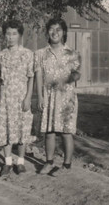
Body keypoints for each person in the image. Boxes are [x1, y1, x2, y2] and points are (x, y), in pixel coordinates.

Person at [35, 18, 81, 175]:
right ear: (47, 32)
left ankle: (66, 165)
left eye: (58, 30)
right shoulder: (40, 54)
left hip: (66, 98)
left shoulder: (73, 54)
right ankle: (48, 162)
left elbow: (76, 75)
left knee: (66, 132)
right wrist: (40, 97)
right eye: (51, 29)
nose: (55, 33)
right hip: (48, 97)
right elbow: (39, 76)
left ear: (64, 33)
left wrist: (71, 78)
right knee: (49, 132)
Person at [0, 19, 34, 177]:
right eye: (8, 34)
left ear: (20, 35)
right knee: (6, 129)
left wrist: (29, 97)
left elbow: (31, 77)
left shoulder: (27, 54)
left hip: (22, 97)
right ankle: (8, 162)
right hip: (5, 98)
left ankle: (21, 162)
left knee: (23, 128)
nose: (10, 37)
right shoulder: (0, 56)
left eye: (14, 34)